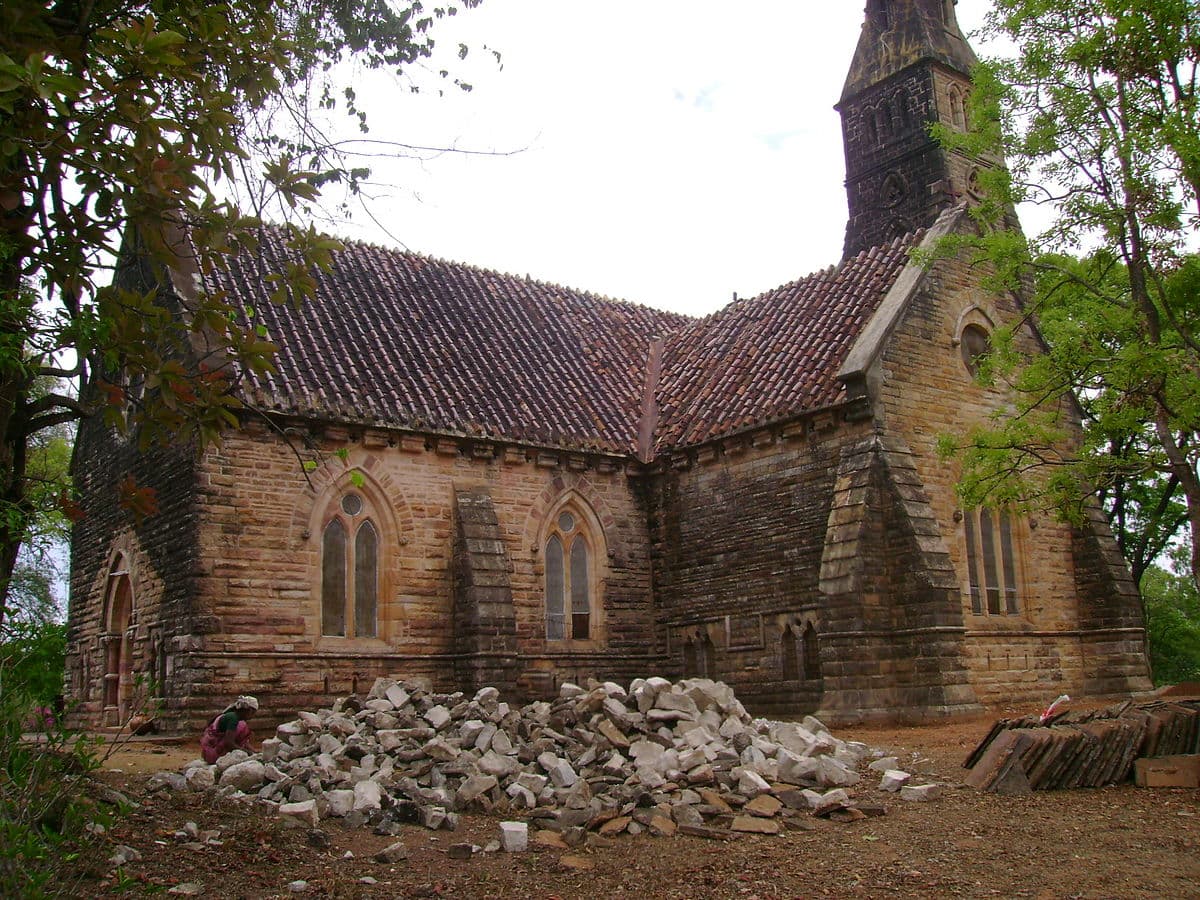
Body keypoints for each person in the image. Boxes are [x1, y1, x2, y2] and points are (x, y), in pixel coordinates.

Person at [200, 695, 258, 763]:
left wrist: (254, 751)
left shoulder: (236, 718)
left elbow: (243, 742)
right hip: (215, 752)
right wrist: (248, 752)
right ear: (250, 711)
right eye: (253, 713)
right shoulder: (232, 718)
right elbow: (229, 743)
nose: (252, 716)